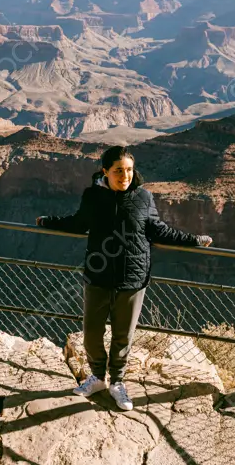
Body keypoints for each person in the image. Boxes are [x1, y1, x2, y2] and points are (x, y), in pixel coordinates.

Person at [36, 146, 212, 411]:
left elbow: (159, 230)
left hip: (133, 278)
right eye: (118, 171)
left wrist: (194, 240)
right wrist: (48, 221)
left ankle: (117, 382)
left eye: (129, 170)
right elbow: (78, 223)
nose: (125, 175)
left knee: (122, 336)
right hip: (98, 276)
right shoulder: (93, 196)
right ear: (105, 172)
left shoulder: (143, 198)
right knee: (91, 333)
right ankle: (96, 377)